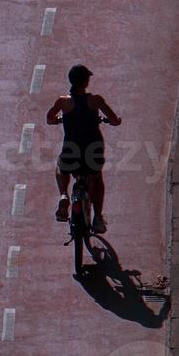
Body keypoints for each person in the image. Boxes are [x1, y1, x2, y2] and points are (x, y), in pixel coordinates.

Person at [46, 64, 121, 234]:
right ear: (86, 82)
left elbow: (49, 118)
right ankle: (98, 218)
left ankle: (64, 195)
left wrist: (58, 119)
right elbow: (114, 118)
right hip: (93, 148)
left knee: (61, 167)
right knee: (97, 177)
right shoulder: (96, 100)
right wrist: (114, 121)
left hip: (71, 148)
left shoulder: (63, 101)